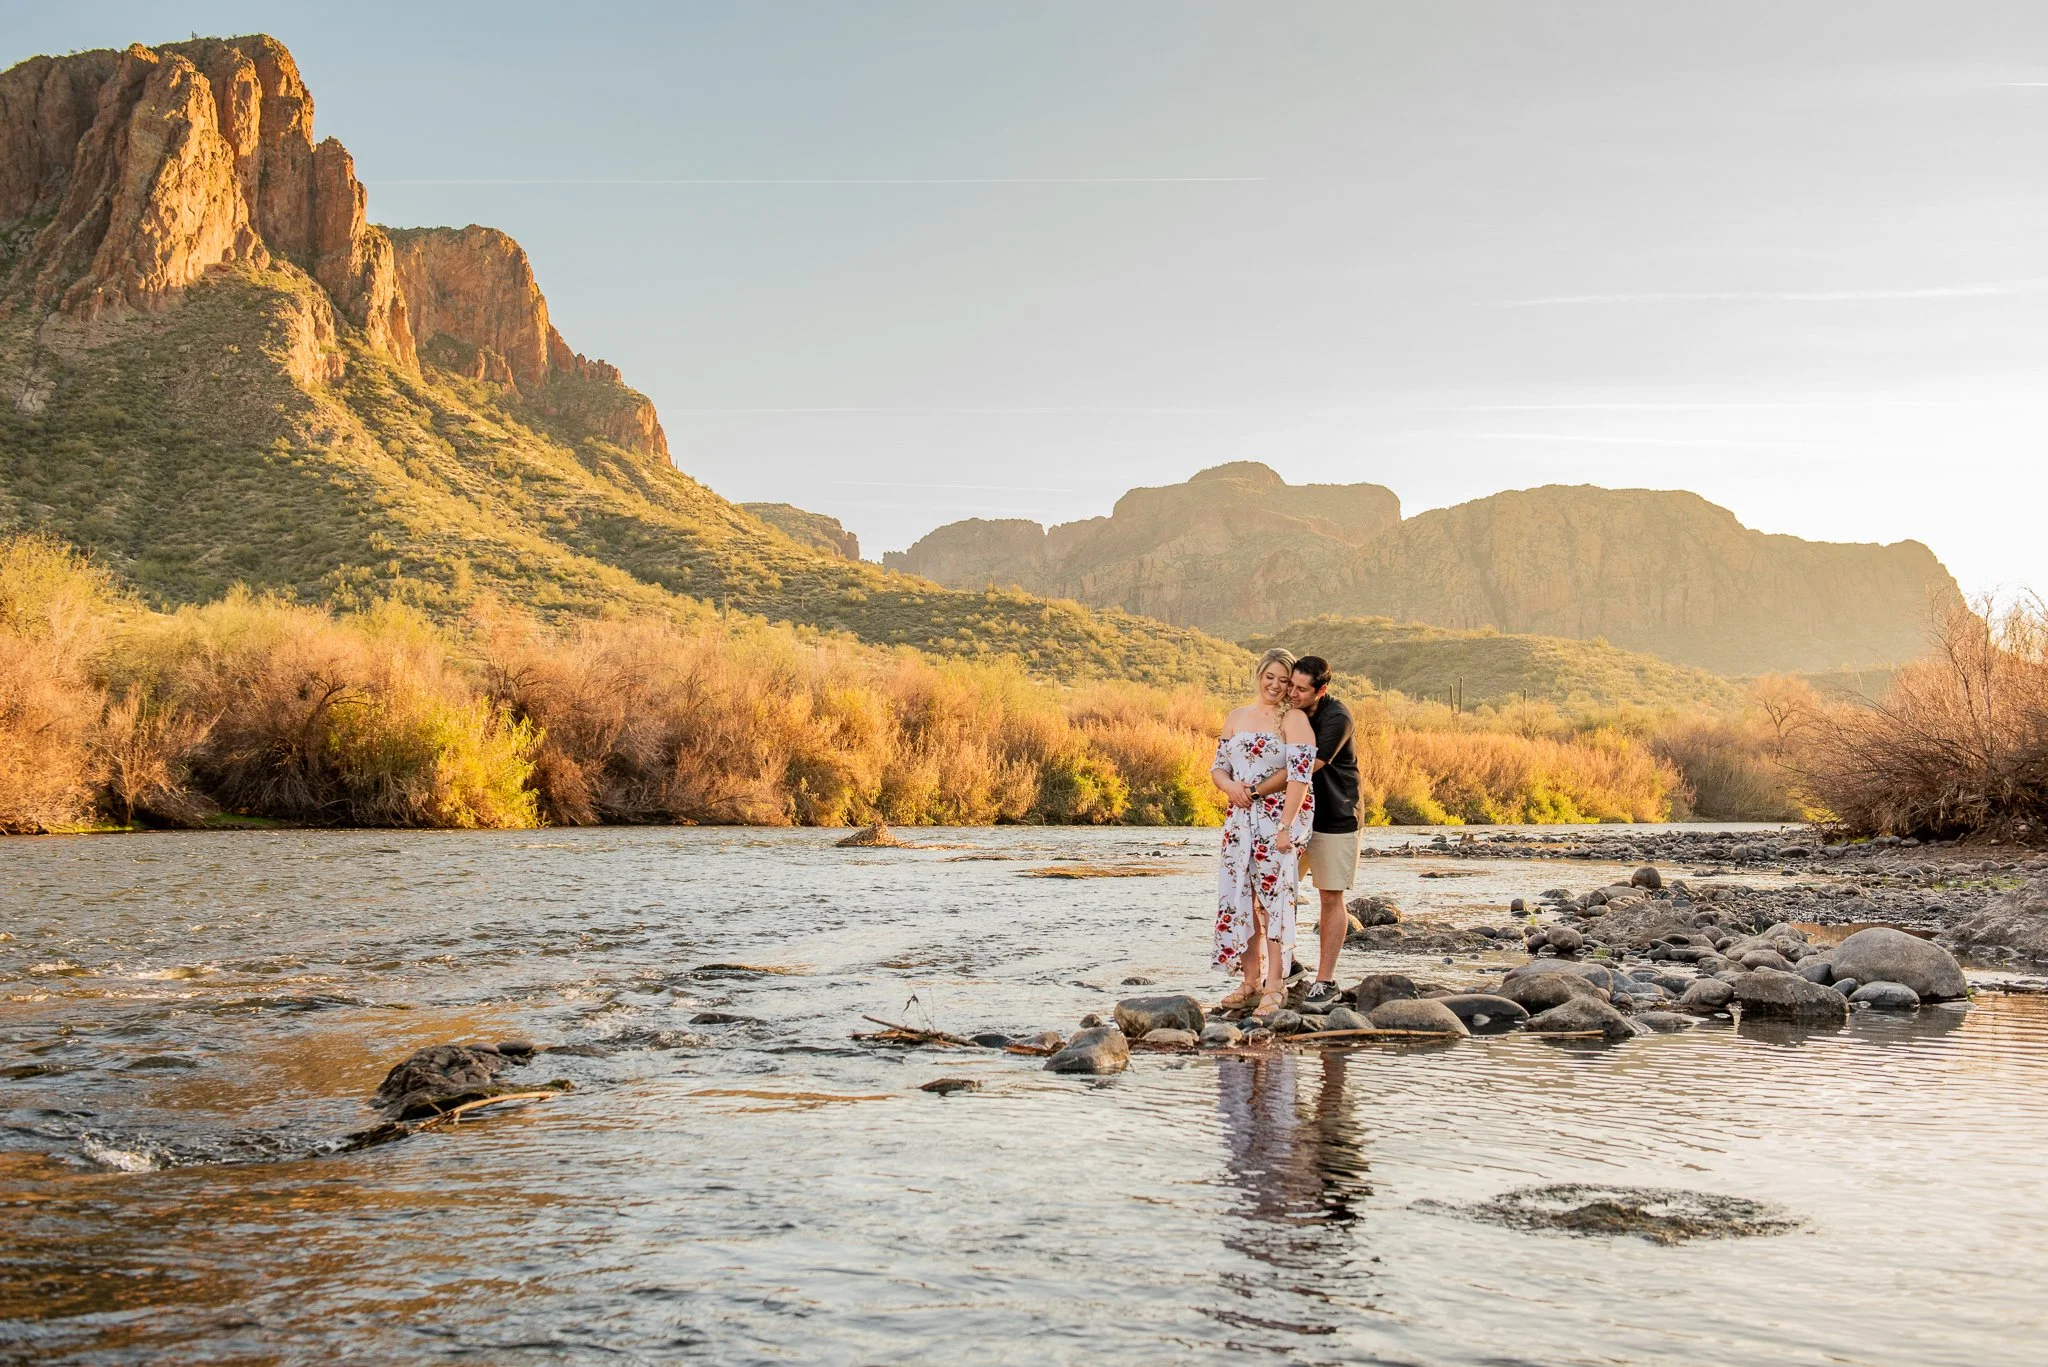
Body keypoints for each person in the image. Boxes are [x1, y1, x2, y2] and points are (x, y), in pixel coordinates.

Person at [1210, 647, 1317, 1015]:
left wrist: (1286, 827)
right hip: (1239, 820)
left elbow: (1300, 776)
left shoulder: (1295, 720)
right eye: (1269, 677)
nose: (1275, 685)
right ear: (1259, 675)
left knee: (1274, 901)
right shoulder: (1236, 717)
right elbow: (1218, 768)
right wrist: (1230, 787)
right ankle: (1250, 981)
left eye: (1283, 680)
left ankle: (1276, 984)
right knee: (1241, 898)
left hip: (1278, 820)